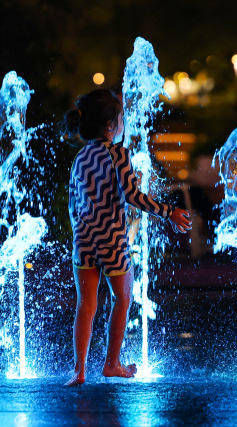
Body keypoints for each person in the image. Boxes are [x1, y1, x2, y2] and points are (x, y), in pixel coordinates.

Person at [63, 89, 192, 386]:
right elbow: (132, 196)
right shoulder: (117, 154)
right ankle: (112, 364)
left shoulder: (80, 157)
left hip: (83, 240)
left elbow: (73, 202)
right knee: (122, 299)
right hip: (111, 239)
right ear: (111, 125)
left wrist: (82, 234)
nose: (123, 123)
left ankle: (79, 370)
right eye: (121, 118)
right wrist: (168, 211)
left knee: (86, 305)